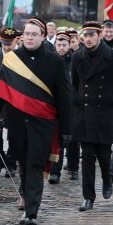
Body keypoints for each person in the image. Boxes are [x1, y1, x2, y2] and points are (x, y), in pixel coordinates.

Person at [0, 17, 72, 225]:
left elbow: (64, 98)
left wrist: (67, 130)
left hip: (43, 124)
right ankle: (26, 198)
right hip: (17, 124)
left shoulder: (55, 62)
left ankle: (32, 213)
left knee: (35, 165)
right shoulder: (12, 59)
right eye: (27, 34)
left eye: (35, 34)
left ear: (43, 37)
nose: (30, 38)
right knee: (23, 163)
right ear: (22, 36)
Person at [71, 22, 113, 211]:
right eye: (85, 36)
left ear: (99, 35)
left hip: (105, 113)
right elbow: (75, 84)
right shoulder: (78, 57)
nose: (87, 39)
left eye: (91, 35)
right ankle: (88, 197)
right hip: (85, 114)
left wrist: (112, 109)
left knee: (103, 155)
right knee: (86, 157)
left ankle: (106, 179)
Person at [0, 27, 20, 178]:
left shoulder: (21, 55)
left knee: (14, 135)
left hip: (15, 101)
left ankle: (11, 164)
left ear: (16, 41)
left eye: (10, 43)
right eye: (4, 42)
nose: (7, 46)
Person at [49, 31, 79, 184]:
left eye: (64, 45)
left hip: (73, 105)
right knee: (57, 139)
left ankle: (73, 167)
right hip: (55, 105)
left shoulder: (76, 60)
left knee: (73, 139)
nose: (61, 48)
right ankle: (55, 171)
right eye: (58, 45)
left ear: (69, 45)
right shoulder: (51, 60)